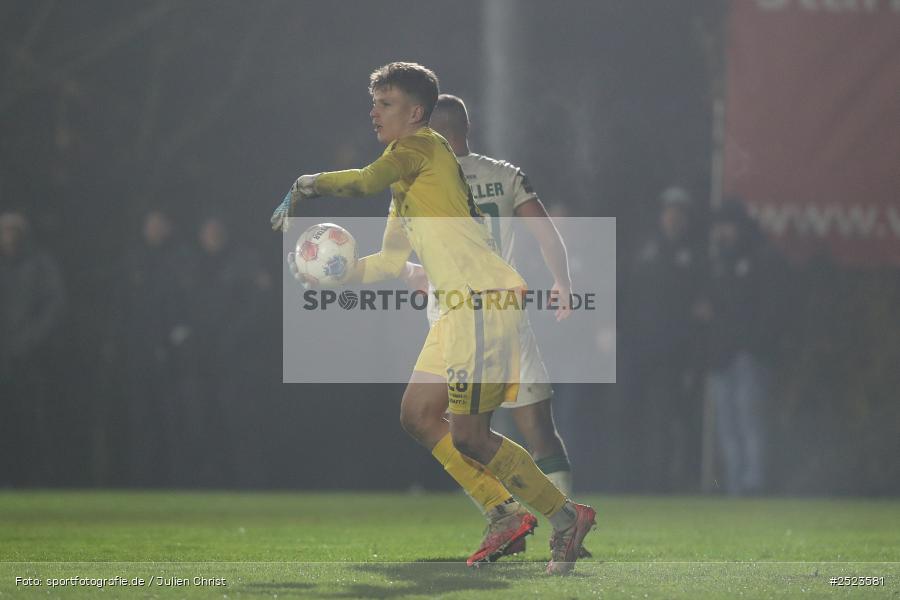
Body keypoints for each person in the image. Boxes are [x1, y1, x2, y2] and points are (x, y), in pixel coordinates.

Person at [271, 62, 594, 574]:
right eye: (374, 102)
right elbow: (390, 263)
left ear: (416, 113)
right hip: (455, 311)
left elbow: (361, 181)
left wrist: (308, 184)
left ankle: (565, 517)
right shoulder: (406, 180)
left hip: (484, 303)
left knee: (470, 433)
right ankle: (504, 513)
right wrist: (334, 276)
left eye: (386, 103)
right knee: (419, 415)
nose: (373, 112)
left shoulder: (422, 147)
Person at [400, 93, 586, 548]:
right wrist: (562, 279)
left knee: (461, 430)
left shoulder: (422, 180)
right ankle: (526, 519)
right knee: (530, 427)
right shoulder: (505, 175)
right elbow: (546, 233)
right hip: (504, 316)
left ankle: (538, 520)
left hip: (459, 317)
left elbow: (421, 258)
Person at [621, 187, 705, 491]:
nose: (673, 219)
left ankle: (658, 483)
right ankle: (628, 480)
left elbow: (700, 306)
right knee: (631, 414)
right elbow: (626, 296)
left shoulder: (696, 256)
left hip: (673, 354)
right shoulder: (645, 249)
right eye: (669, 212)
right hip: (638, 349)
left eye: (680, 214)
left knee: (665, 419)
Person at [695, 200, 780, 495]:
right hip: (720, 358)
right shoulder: (716, 264)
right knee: (727, 428)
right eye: (719, 226)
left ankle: (754, 483)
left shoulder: (759, 260)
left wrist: (747, 339)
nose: (723, 232)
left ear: (740, 227)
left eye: (728, 225)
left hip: (748, 356)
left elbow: (761, 312)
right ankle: (735, 487)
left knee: (750, 422)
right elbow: (706, 309)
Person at [0, 211, 66, 486]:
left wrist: (29, 340)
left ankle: (36, 479)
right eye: (5, 230)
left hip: (31, 357)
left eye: (14, 231)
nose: (9, 237)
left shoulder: (40, 265)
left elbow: (53, 307)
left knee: (33, 420)